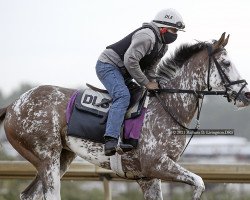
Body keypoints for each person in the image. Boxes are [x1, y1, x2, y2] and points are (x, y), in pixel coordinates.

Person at [96, 8, 185, 156]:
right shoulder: (147, 36)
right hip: (108, 65)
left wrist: (155, 82)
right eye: (173, 30)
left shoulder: (163, 46)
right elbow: (130, 61)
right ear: (163, 28)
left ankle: (128, 136)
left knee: (142, 95)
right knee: (123, 96)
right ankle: (110, 139)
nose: (175, 34)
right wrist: (146, 82)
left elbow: (150, 68)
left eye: (176, 31)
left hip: (123, 71)